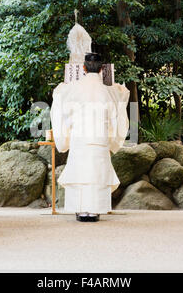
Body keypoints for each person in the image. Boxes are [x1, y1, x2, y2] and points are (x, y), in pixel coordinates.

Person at [50, 53, 129, 222]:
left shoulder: (72, 87)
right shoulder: (109, 89)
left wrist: (63, 85)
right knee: (97, 173)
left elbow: (59, 96)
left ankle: (80, 210)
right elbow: (122, 97)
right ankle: (95, 210)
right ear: (102, 69)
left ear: (83, 68)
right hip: (99, 138)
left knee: (80, 171)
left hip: (80, 137)